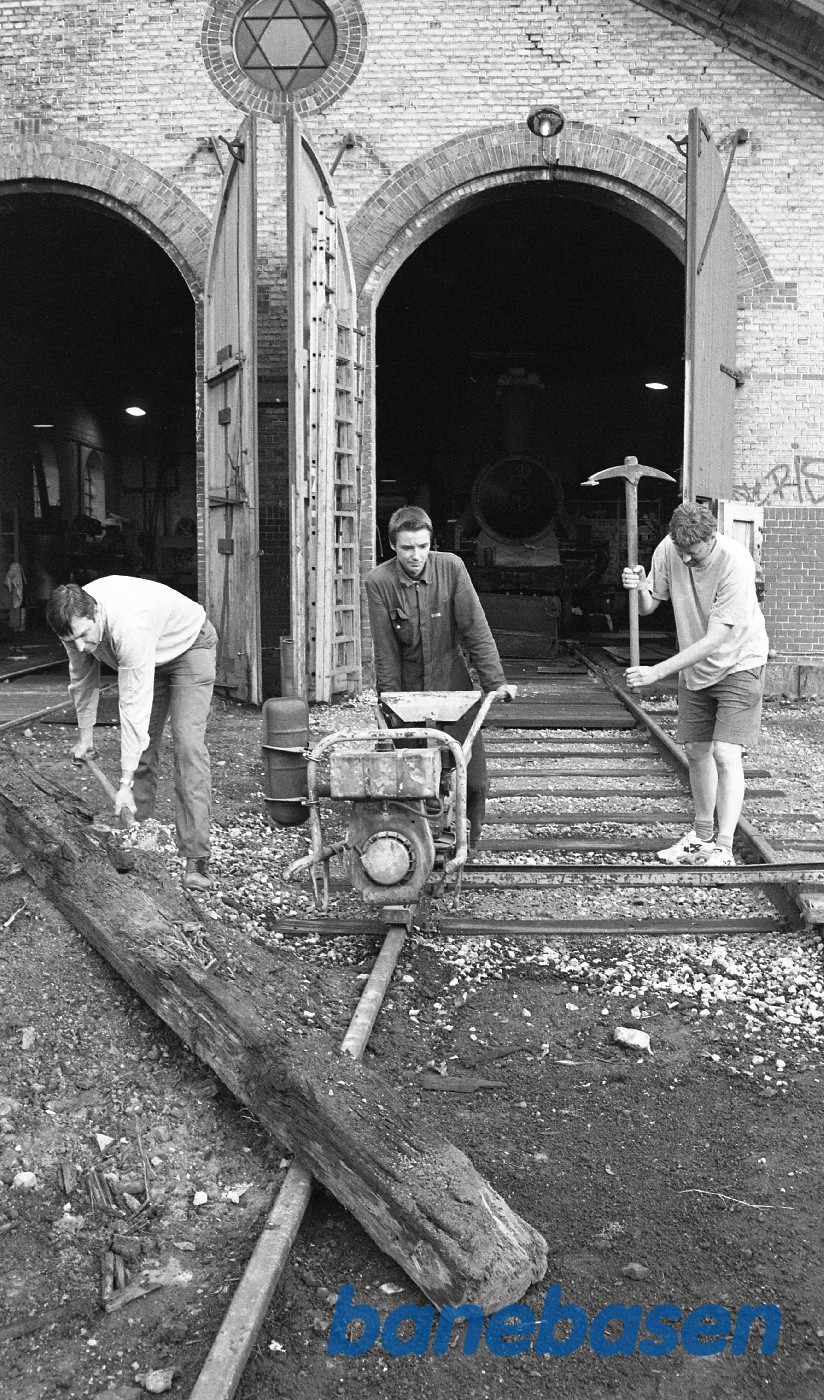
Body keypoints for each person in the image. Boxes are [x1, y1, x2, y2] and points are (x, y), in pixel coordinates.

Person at [46, 577, 217, 891]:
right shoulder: (73, 622)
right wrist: (85, 736)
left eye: (83, 635)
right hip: (150, 655)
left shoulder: (129, 625)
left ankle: (196, 856)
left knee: (187, 746)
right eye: (71, 640)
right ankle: (136, 833)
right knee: (142, 752)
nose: (80, 646)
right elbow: (82, 680)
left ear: (97, 613)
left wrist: (123, 783)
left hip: (188, 647)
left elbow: (132, 706)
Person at [622, 502, 769, 867]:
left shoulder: (736, 562)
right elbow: (647, 607)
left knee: (725, 753)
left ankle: (723, 848)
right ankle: (701, 837)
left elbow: (716, 639)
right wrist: (638, 587)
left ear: (712, 537)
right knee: (696, 750)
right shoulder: (669, 548)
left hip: (739, 661)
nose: (685, 559)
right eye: (681, 550)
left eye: (694, 552)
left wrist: (657, 672)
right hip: (697, 669)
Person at [364, 505, 516, 849]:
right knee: (410, 777)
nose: (415, 555)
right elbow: (385, 653)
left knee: (472, 778)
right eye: (407, 548)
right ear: (393, 546)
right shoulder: (379, 582)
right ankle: (414, 843)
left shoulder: (452, 568)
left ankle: (468, 843)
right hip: (407, 690)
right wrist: (390, 708)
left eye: (422, 546)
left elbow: (475, 628)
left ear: (431, 543)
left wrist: (495, 684)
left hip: (452, 685)